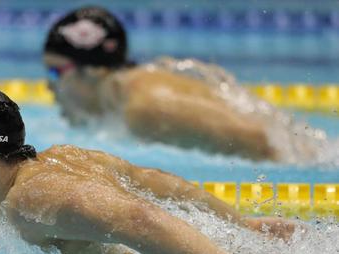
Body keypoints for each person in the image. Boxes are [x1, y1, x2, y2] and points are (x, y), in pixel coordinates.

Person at [0, 86, 301, 254]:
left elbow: (136, 217)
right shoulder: (64, 156)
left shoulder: (29, 199)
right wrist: (242, 224)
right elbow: (157, 182)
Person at [43, 6, 325, 163]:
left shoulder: (147, 104)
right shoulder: (129, 96)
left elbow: (260, 142)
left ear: (91, 69)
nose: (49, 87)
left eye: (55, 72)